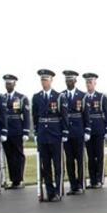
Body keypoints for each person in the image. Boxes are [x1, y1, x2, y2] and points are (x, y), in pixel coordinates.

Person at [32, 69, 67, 201]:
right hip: (42, 134)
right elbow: (35, 116)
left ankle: (58, 191)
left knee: (57, 165)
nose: (44, 82)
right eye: (42, 80)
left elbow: (64, 116)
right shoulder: (36, 97)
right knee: (45, 166)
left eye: (46, 79)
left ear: (51, 80)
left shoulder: (59, 97)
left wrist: (64, 131)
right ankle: (49, 191)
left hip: (55, 134)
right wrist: (35, 131)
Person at [61, 70, 90, 195]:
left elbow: (86, 115)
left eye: (71, 80)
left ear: (75, 81)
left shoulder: (82, 96)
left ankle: (80, 183)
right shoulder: (61, 95)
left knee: (79, 159)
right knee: (69, 159)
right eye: (67, 80)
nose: (69, 82)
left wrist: (87, 130)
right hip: (67, 132)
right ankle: (73, 185)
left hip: (78, 131)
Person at [0, 74, 30, 189]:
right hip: (6, 132)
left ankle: (19, 180)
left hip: (17, 130)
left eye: (10, 83)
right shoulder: (1, 98)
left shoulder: (21, 98)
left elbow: (26, 116)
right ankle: (14, 180)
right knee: (9, 156)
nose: (8, 85)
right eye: (6, 83)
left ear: (14, 84)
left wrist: (26, 132)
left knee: (18, 156)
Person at [83, 73, 107, 188]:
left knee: (99, 156)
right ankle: (92, 179)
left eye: (90, 82)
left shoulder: (101, 97)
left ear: (95, 83)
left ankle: (99, 179)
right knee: (90, 156)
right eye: (87, 82)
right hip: (88, 131)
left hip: (99, 129)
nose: (88, 85)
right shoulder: (83, 98)